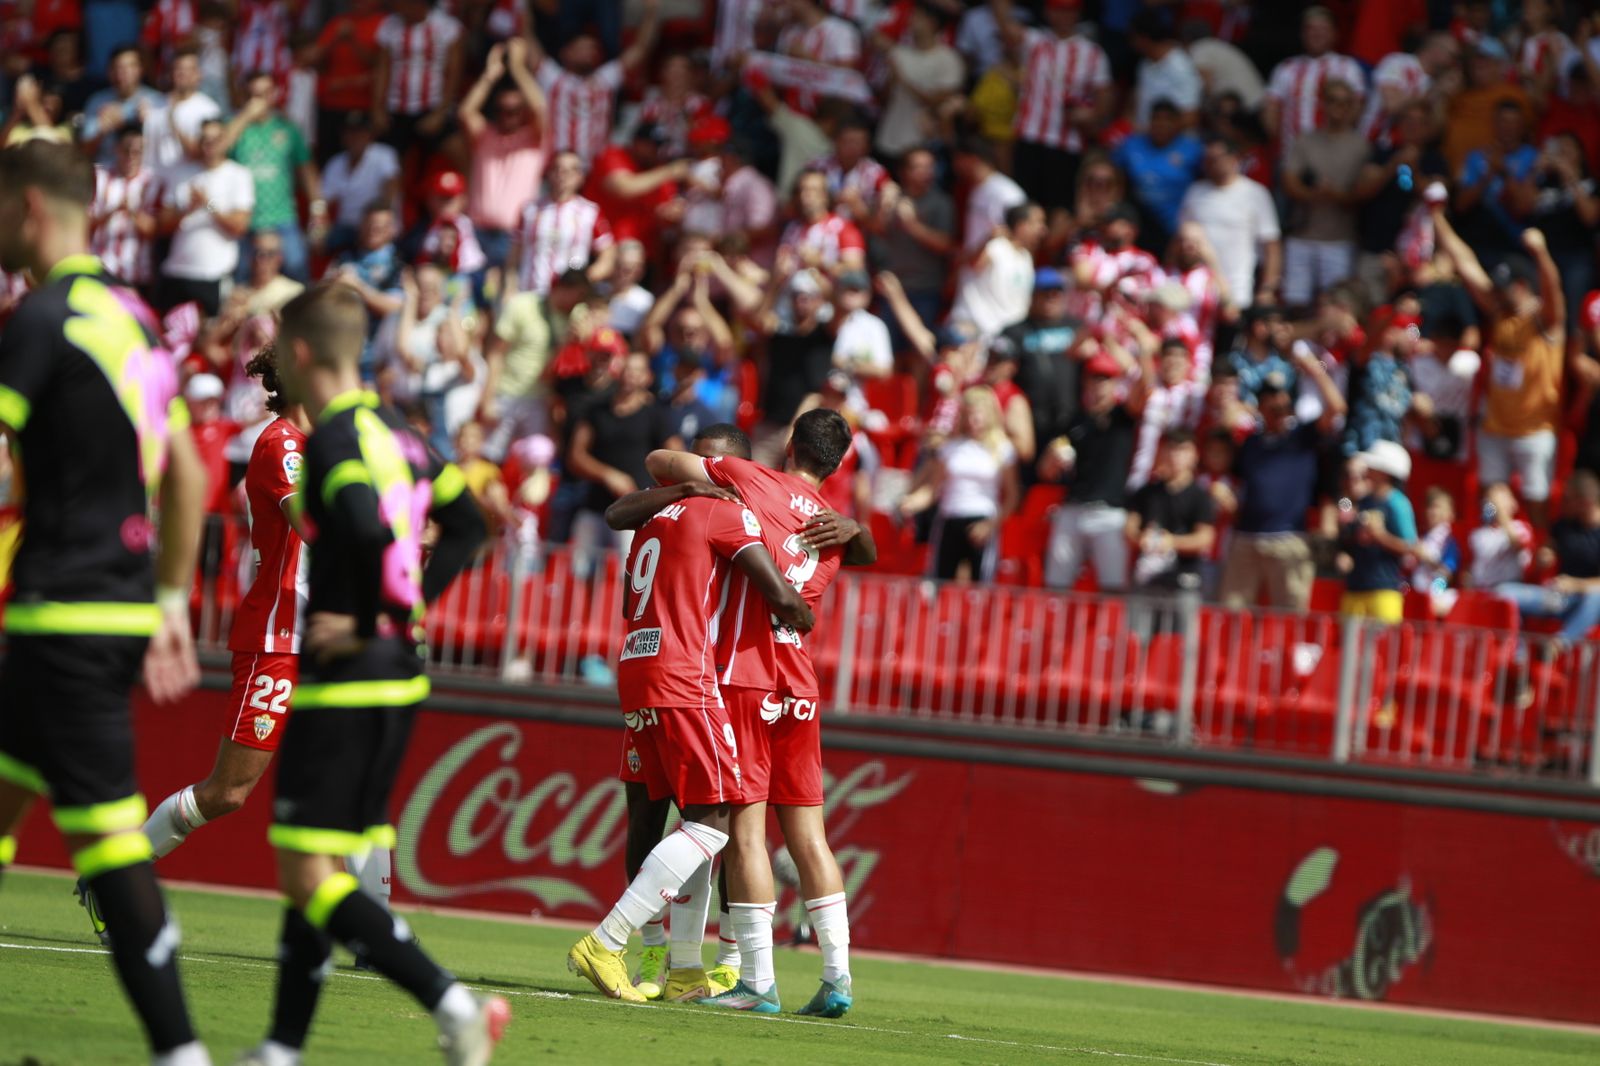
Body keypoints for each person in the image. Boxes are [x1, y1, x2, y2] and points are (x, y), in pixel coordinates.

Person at [239, 281, 503, 1064]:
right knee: (317, 860)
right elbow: (467, 525)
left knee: (303, 865)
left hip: (350, 673)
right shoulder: (402, 432)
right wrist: (408, 610)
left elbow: (354, 525)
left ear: (304, 352)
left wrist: (366, 617)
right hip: (400, 673)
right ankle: (282, 1046)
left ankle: (452, 1005)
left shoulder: (328, 441)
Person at [0, 140, 209, 1066]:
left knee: (112, 848)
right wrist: (167, 598)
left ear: (30, 209)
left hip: (64, 614)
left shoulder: (42, 317)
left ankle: (180, 1052)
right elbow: (191, 476)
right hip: (110, 608)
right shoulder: (132, 315)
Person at [644, 408, 871, 1018]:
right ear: (838, 463)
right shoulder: (835, 525)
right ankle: (837, 978)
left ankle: (758, 981)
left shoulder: (755, 480)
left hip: (746, 674)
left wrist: (702, 481)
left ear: (790, 444)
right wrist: (856, 527)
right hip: (801, 683)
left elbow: (659, 463)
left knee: (744, 833)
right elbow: (866, 551)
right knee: (811, 836)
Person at [565, 452, 814, 1005]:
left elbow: (616, 514)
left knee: (682, 820)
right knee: (712, 822)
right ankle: (607, 940)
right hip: (686, 675)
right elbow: (777, 593)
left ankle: (681, 970)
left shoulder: (654, 515)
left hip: (637, 664)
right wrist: (804, 611)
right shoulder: (721, 512)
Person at [139, 346, 316, 864]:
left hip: (330, 640)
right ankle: (119, 875)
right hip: (279, 636)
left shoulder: (328, 447)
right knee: (228, 793)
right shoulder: (282, 444)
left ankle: (375, 936)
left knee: (352, 792)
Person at [1432, 208, 1564, 529]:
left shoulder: (1545, 320)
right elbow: (1465, 263)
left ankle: (1540, 561)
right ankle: (1494, 560)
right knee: (1491, 496)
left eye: (1507, 286)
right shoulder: (1499, 311)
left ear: (1523, 285)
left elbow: (1553, 290)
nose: (1499, 291)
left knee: (1537, 500)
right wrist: (1436, 214)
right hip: (1497, 427)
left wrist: (1540, 253)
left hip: (1535, 428)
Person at [1220, 351, 1347, 611]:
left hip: (1289, 540)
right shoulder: (1250, 443)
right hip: (1247, 538)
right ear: (1261, 407)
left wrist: (1315, 370)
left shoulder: (1302, 437)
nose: (1279, 408)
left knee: (1289, 618)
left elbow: (1336, 408)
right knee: (1231, 614)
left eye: (1283, 401)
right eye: (1271, 402)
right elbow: (1232, 474)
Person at [1042, 343, 1154, 592]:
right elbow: (1046, 472)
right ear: (1086, 383)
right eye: (1094, 379)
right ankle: (1058, 630)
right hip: (1073, 508)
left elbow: (1146, 390)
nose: (1099, 385)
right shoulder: (1072, 422)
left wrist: (1144, 350)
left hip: (1109, 513)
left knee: (1113, 587)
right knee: (1055, 586)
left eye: (1105, 379)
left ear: (1115, 384)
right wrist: (1052, 457)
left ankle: (1109, 632)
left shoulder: (1122, 417)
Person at [996, 0, 1111, 214]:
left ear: (1078, 14)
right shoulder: (1034, 42)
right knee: (1024, 206)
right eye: (1058, 10)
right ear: (1048, 12)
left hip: (1067, 143)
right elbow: (1005, 23)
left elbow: (1104, 101)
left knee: (1059, 209)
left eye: (1069, 11)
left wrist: (1089, 115)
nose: (1064, 16)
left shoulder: (1093, 53)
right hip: (1030, 136)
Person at [899, 386, 1019, 582]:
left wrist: (991, 525)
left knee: (980, 588)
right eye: (969, 415)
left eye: (978, 416)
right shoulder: (950, 447)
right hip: (950, 517)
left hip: (983, 519)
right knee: (940, 582)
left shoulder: (1003, 449)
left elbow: (1012, 496)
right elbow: (932, 489)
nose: (974, 422)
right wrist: (910, 502)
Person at [222, 69, 324, 283]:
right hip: (245, 221)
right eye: (252, 95)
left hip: (282, 218)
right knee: (242, 279)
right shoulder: (235, 126)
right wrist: (245, 116)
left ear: (274, 94)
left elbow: (306, 170)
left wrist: (318, 211)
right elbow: (217, 150)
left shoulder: (287, 129)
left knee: (297, 273)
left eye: (264, 94)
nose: (258, 101)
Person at [458, 38, 548, 276]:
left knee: (505, 301)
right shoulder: (486, 135)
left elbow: (541, 108)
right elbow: (466, 112)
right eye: (502, 110)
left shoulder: (533, 140)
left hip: (513, 236)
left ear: (523, 113)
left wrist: (518, 69)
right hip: (476, 231)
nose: (508, 116)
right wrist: (490, 75)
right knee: (472, 303)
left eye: (515, 111)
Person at [531, 0, 660, 165]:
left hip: (595, 170)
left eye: (592, 48)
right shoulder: (553, 78)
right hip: (556, 168)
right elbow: (528, 42)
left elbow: (640, 49)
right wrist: (521, 6)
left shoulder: (605, 79)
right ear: (565, 53)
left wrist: (651, 11)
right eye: (582, 48)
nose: (589, 53)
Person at [1281, 79, 1367, 309]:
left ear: (1352, 107)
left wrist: (1336, 195)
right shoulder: (1306, 140)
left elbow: (1363, 193)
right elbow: (1289, 181)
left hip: (1339, 238)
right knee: (1295, 304)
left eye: (1344, 103)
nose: (1338, 108)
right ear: (1323, 104)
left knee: (1335, 304)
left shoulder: (1361, 146)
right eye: (1333, 101)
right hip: (1303, 233)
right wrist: (1314, 194)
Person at [157, 118, 255, 316]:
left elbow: (240, 226)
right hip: (176, 272)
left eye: (215, 139)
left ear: (226, 141)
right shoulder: (182, 172)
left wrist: (208, 205)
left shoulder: (239, 175)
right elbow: (162, 225)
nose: (209, 144)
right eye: (204, 139)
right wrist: (187, 209)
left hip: (213, 274)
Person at [1496, 470, 1600, 647]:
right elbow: (1547, 548)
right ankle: (1517, 656)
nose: (1562, 502)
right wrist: (1544, 555)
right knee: (1503, 592)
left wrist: (1576, 584)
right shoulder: (1564, 525)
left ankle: (1559, 644)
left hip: (1589, 603)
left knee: (1597, 596)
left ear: (1585, 503)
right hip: (1559, 597)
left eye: (1568, 499)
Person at [1179, 135, 1282, 311]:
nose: (1210, 164)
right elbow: (1180, 238)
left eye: (1215, 158)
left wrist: (1267, 288)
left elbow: (1271, 246)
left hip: (1238, 288)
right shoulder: (1195, 192)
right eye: (1207, 159)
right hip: (1199, 289)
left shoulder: (1255, 193)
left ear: (1234, 158)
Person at [1262, 6, 1366, 165]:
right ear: (1302, 34)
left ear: (1334, 34)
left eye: (1323, 29)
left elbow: (1356, 109)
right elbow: (1271, 112)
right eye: (1311, 28)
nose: (1316, 34)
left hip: (1334, 158)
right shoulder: (1286, 68)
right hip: (1291, 158)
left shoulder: (1347, 67)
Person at [1335, 442, 1418, 624]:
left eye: (1372, 466)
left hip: (1384, 590)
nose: (1367, 469)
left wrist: (1379, 536)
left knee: (1384, 647)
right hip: (1355, 588)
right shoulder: (1363, 501)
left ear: (1384, 472)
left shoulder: (1397, 503)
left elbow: (1409, 547)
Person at [1126, 429, 1216, 594]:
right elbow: (1130, 528)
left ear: (1194, 455)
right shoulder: (1146, 492)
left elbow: (1205, 538)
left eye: (1183, 450)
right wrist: (1141, 538)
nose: (1176, 455)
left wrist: (1171, 541)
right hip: (1147, 577)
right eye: (1171, 448)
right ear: (1161, 452)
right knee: (1138, 618)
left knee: (1184, 619)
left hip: (1185, 579)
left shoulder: (1201, 496)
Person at [373, 0, 464, 163]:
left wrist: (441, 113)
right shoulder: (388, 26)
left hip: (433, 105)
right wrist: (378, 109)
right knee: (387, 163)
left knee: (460, 153)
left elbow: (453, 73)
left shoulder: (446, 26)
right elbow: (382, 70)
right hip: (397, 107)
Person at [873, 147, 954, 331]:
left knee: (919, 351)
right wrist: (883, 207)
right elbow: (876, 232)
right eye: (919, 167)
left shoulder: (941, 203)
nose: (926, 172)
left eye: (929, 167)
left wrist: (913, 226)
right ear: (903, 172)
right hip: (892, 287)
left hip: (925, 289)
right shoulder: (891, 197)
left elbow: (946, 245)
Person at [513, 150, 613, 296]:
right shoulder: (530, 210)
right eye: (557, 169)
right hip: (530, 294)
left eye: (570, 171)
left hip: (568, 300)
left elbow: (608, 255)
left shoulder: (590, 212)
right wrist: (510, 286)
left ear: (580, 177)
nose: (562, 175)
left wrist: (583, 278)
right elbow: (514, 255)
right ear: (549, 173)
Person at [875, 3, 964, 163]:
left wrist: (903, 81)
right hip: (888, 139)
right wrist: (891, 82)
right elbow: (884, 99)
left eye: (917, 17)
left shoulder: (949, 59)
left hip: (923, 145)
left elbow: (937, 101)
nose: (910, 20)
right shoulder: (898, 54)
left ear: (932, 22)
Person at [1113, 99, 1203, 254]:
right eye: (1156, 118)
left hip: (1174, 229)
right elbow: (1112, 175)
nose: (1161, 124)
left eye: (1168, 119)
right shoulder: (1131, 145)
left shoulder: (1193, 150)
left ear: (1178, 123)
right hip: (1138, 224)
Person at [949, 200, 1043, 340]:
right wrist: (987, 239)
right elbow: (972, 265)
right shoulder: (995, 247)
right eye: (1038, 222)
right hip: (978, 332)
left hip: (1008, 334)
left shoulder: (1026, 256)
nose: (1042, 229)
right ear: (1021, 226)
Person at [89, 126, 161, 291]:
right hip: (100, 268)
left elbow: (154, 229)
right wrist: (112, 211)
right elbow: (85, 222)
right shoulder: (99, 176)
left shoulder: (152, 182)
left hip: (135, 272)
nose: (131, 156)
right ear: (116, 149)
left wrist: (132, 212)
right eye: (127, 150)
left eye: (138, 152)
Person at [319, 113, 401, 256]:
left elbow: (391, 184)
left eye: (360, 132)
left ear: (370, 135)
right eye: (350, 132)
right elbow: (322, 201)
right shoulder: (336, 163)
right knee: (316, 240)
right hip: (347, 227)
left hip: (378, 226)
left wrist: (379, 217)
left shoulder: (383, 155)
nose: (354, 137)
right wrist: (318, 228)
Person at [142, 46, 221, 177]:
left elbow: (201, 153)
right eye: (178, 68)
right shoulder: (151, 103)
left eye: (189, 69)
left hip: (189, 181)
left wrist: (172, 122)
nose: (183, 74)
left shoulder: (209, 109)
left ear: (199, 74)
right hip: (154, 183)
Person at [80, 44, 164, 167]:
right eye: (117, 68)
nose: (123, 73)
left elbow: (166, 149)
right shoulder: (97, 101)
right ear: (109, 71)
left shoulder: (156, 100)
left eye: (129, 67)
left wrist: (147, 123)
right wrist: (102, 129)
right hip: (107, 170)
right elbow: (84, 151)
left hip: (145, 173)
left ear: (140, 69)